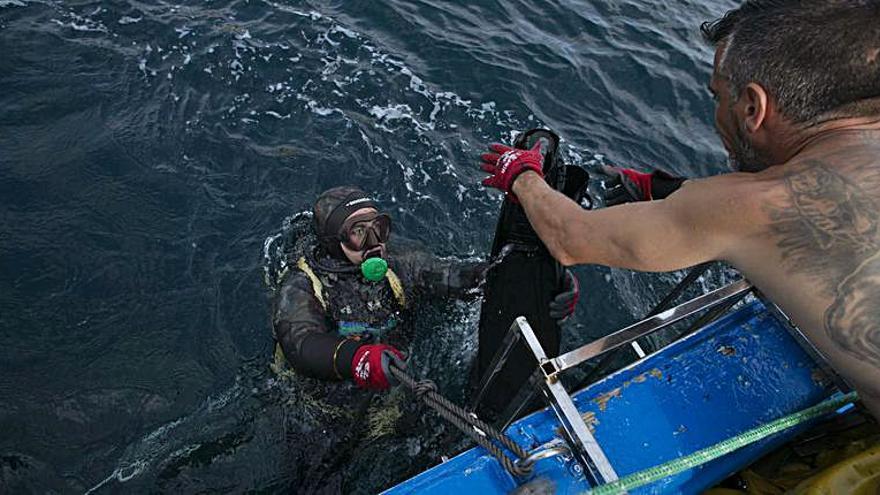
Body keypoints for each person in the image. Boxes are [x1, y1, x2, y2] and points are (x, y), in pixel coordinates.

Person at [478, 0, 880, 419]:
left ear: (752, 109)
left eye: (718, 96)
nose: (717, 111)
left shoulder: (759, 204)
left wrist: (521, 174)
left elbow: (569, 239)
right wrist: (669, 190)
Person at [271, 185, 579, 391]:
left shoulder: (402, 263)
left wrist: (539, 283)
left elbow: (460, 277)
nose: (374, 242)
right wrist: (356, 359)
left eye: (378, 228)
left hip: (394, 382)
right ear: (332, 243)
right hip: (324, 404)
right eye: (358, 232)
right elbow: (300, 343)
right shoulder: (301, 284)